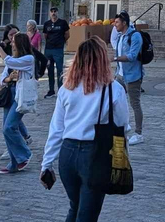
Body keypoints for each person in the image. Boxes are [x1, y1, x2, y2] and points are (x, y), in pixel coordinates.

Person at [41, 37, 130, 222]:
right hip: (95, 154)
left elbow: (57, 128)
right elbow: (122, 125)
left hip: (67, 154)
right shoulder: (114, 89)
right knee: (87, 214)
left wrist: (46, 163)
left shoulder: (67, 88)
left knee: (75, 207)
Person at [0, 34, 35, 174]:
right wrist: (8, 78)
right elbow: (3, 77)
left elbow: (8, 61)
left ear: (20, 44)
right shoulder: (14, 59)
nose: (11, 44)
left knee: (9, 127)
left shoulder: (28, 59)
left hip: (20, 95)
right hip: (9, 94)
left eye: (13, 42)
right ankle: (14, 163)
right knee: (6, 129)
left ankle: (24, 155)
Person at [111, 11, 144, 146]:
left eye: (117, 22)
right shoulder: (120, 36)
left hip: (133, 75)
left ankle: (139, 133)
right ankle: (122, 124)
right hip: (120, 75)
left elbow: (132, 56)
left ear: (124, 23)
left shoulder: (135, 36)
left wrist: (114, 59)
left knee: (135, 103)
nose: (115, 24)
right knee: (113, 99)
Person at [43, 7, 70, 98]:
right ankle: (51, 90)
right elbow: (45, 35)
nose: (53, 13)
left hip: (58, 49)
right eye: (52, 12)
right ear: (50, 13)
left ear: (57, 13)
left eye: (55, 11)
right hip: (48, 49)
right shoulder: (47, 24)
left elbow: (67, 34)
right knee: (50, 70)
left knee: (59, 70)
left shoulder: (63, 23)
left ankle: (60, 90)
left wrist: (61, 41)